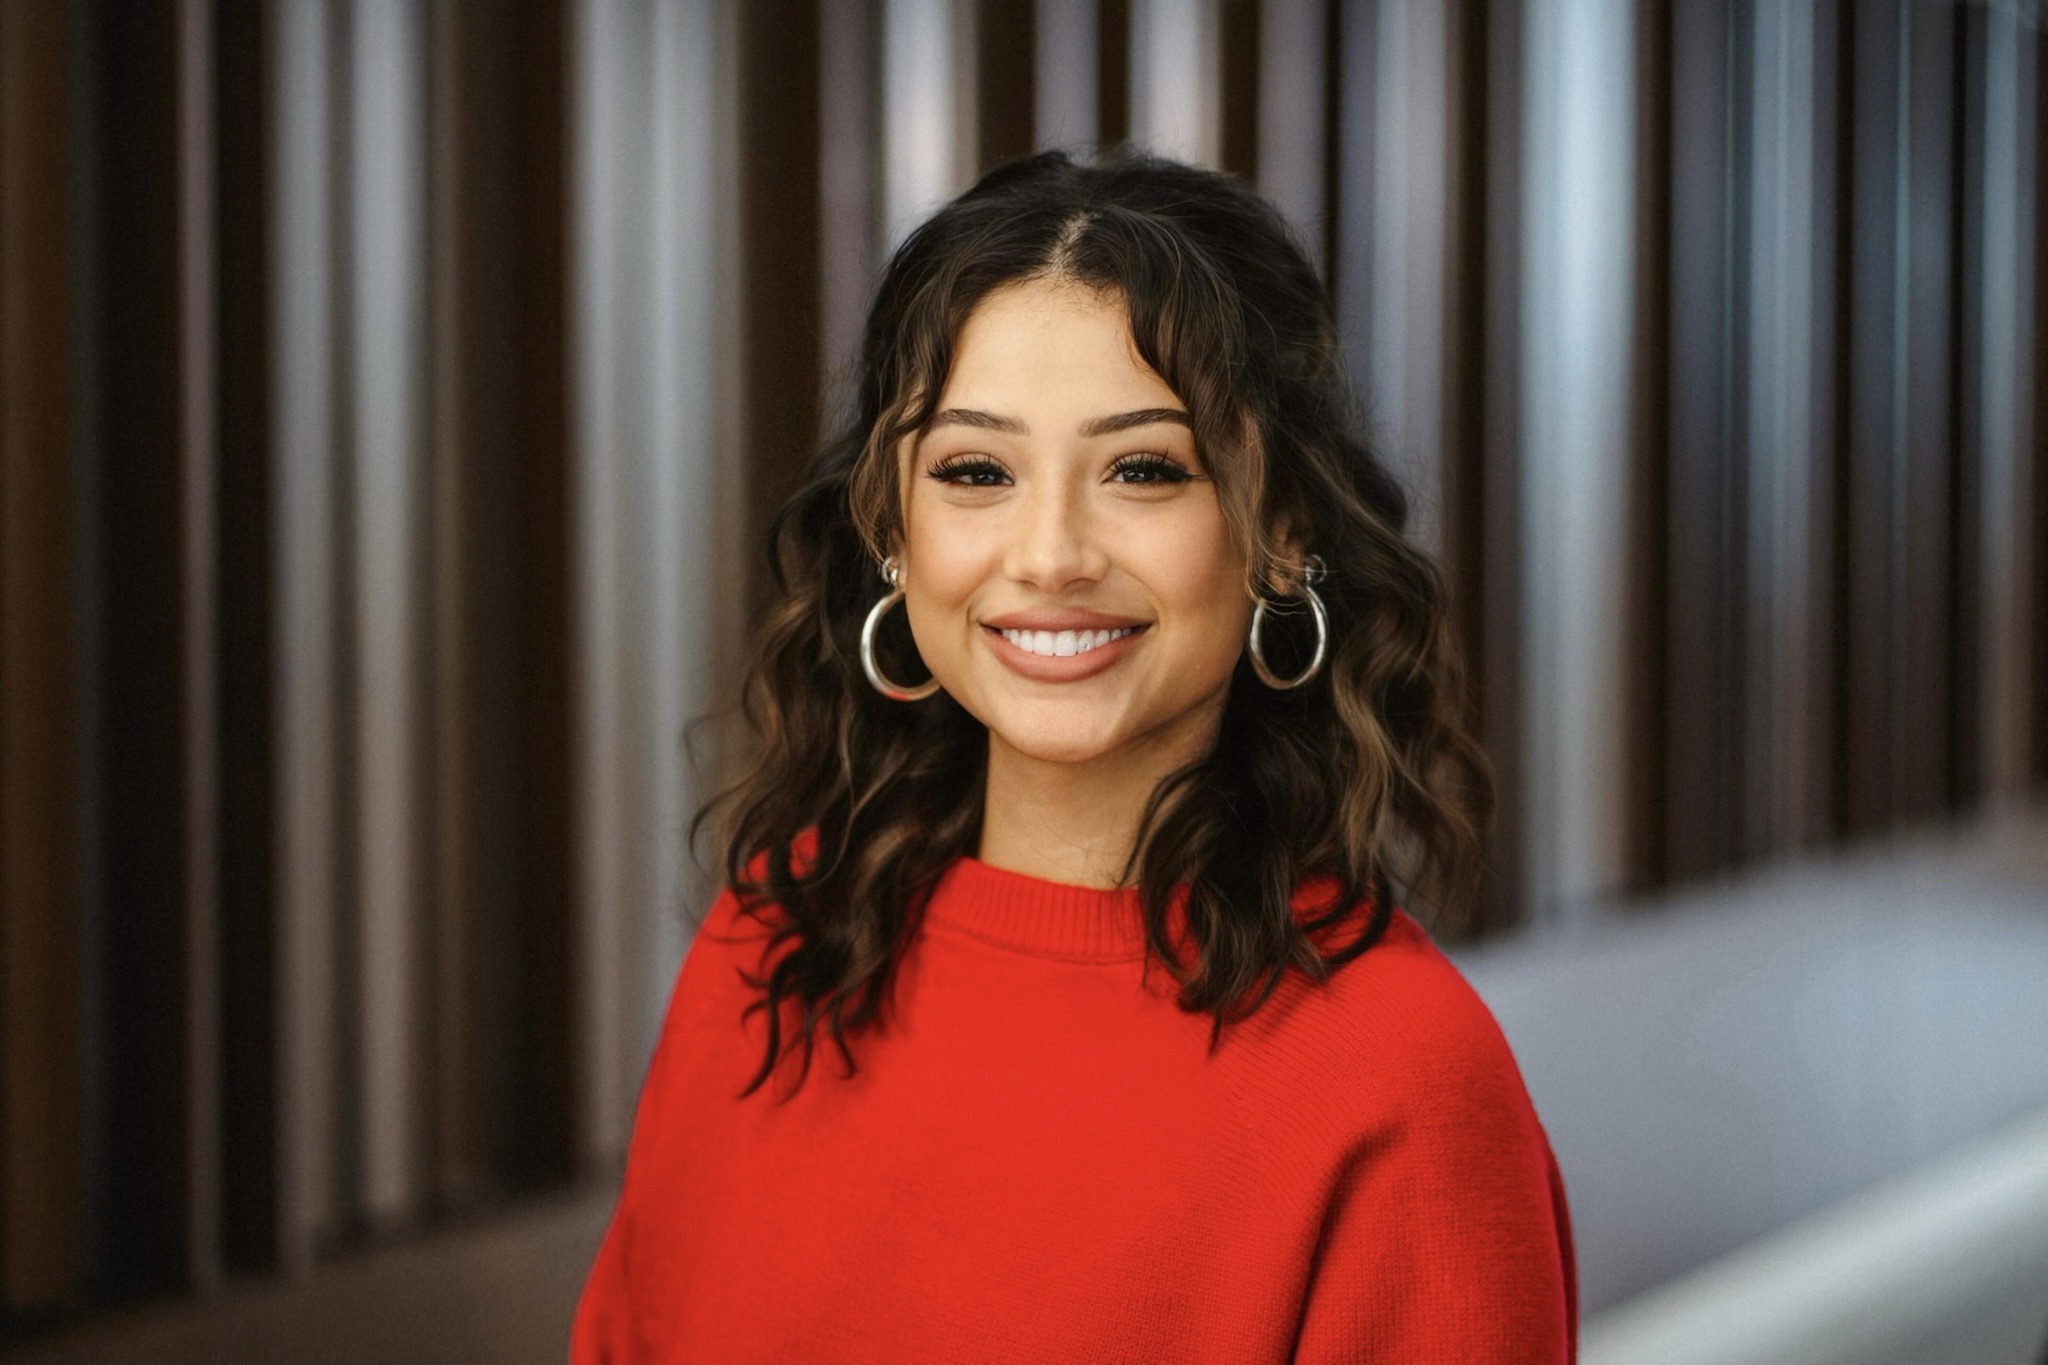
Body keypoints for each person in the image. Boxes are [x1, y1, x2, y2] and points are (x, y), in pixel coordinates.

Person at [569, 147, 1576, 1363]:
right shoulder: (767, 943)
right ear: (892, 529)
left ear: (1280, 532)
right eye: (975, 471)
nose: (1049, 553)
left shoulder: (1397, 1085)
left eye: (1142, 469)